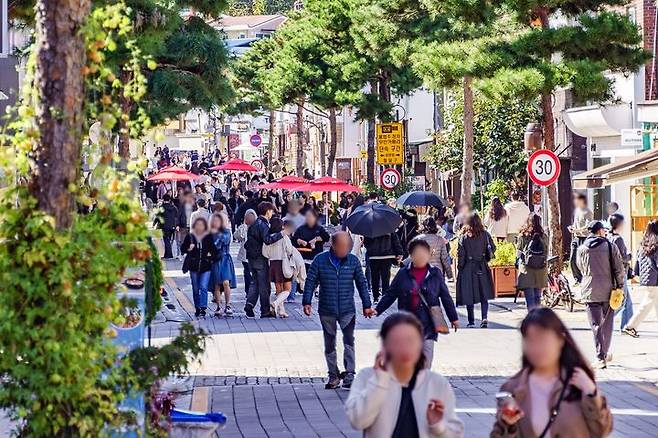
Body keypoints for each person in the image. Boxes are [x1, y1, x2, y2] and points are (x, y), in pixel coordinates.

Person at [491, 308, 612, 438]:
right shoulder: (513, 389)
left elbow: (601, 431)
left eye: (543, 339)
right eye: (530, 340)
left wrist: (591, 393)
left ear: (560, 339)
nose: (536, 348)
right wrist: (508, 425)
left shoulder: (578, 382)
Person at [345, 312, 464, 438]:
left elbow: (455, 434)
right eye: (396, 341)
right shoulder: (368, 377)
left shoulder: (436, 383)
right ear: (385, 345)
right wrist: (379, 382)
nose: (404, 348)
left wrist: (438, 425)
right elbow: (358, 421)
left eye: (410, 341)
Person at [302, 232, 373, 389]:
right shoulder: (320, 260)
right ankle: (333, 375)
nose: (345, 250)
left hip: (347, 308)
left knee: (349, 341)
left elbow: (361, 283)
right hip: (327, 308)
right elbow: (311, 280)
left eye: (347, 246)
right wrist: (306, 301)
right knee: (329, 342)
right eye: (342, 246)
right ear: (333, 245)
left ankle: (349, 373)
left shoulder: (353, 261)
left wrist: (366, 305)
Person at [376, 240, 459, 367]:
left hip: (428, 324)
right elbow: (391, 294)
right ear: (411, 255)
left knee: (426, 360)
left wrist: (453, 318)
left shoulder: (435, 274)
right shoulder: (403, 274)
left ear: (429, 254)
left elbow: (446, 297)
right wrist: (378, 309)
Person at [576, 220, 624, 369]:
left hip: (589, 290)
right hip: (608, 291)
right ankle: (604, 353)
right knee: (607, 324)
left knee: (596, 325)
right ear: (600, 231)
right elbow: (619, 268)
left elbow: (580, 267)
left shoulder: (582, 248)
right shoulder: (610, 246)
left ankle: (600, 356)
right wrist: (620, 285)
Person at [243, 202, 286, 319]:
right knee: (264, 285)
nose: (272, 213)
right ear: (268, 211)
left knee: (255, 282)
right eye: (271, 211)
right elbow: (267, 240)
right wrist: (281, 234)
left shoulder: (255, 223)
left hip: (251, 257)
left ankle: (249, 305)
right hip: (260, 258)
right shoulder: (263, 224)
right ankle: (265, 311)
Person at [456, 213, 495, 328]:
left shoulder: (464, 236)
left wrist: (460, 268)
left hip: (468, 267)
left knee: (469, 295)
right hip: (482, 265)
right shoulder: (485, 235)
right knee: (484, 293)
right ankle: (484, 317)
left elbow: (461, 254)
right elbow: (492, 248)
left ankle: (471, 321)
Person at [623, 220, 658, 338]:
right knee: (648, 303)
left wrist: (636, 275)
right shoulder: (656, 244)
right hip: (654, 279)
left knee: (654, 302)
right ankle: (630, 326)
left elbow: (638, 262)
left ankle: (630, 326)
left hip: (648, 279)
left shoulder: (644, 244)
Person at [181, 217, 216, 318]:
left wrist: (211, 255)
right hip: (193, 266)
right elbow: (182, 248)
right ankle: (197, 307)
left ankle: (203, 307)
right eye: (198, 225)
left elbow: (214, 250)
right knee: (196, 288)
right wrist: (188, 248)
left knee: (203, 287)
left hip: (206, 266)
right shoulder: (190, 237)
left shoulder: (208, 237)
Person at [262, 217, 295, 318]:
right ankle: (276, 303)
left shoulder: (268, 238)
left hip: (272, 264)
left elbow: (264, 253)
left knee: (278, 289)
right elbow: (289, 250)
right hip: (283, 263)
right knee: (287, 289)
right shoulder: (283, 237)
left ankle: (282, 310)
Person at [516, 214, 548, 311]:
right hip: (541, 269)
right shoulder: (543, 236)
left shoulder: (523, 235)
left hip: (527, 270)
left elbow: (518, 253)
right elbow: (546, 251)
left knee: (529, 298)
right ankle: (537, 319)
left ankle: (532, 319)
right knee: (537, 297)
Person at [608, 213, 633, 334]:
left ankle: (627, 325)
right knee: (622, 301)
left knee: (627, 302)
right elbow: (622, 258)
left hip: (613, 273)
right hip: (620, 273)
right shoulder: (618, 239)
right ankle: (607, 321)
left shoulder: (609, 237)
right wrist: (630, 255)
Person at [363, 231, 404, 304]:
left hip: (374, 256)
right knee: (386, 277)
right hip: (387, 256)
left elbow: (366, 243)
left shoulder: (370, 229)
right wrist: (399, 252)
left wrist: (370, 249)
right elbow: (395, 241)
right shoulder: (389, 228)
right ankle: (384, 296)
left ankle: (375, 298)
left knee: (374, 277)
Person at [209, 213, 236, 317]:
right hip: (215, 259)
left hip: (225, 258)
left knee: (226, 282)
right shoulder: (211, 232)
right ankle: (218, 306)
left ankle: (228, 305)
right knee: (216, 283)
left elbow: (223, 241)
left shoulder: (227, 232)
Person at [569, 193, 593, 284]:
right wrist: (572, 228)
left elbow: (588, 226)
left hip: (584, 238)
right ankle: (577, 278)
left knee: (583, 260)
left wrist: (576, 230)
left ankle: (585, 278)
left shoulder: (588, 212)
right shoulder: (577, 211)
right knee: (573, 258)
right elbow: (576, 224)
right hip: (576, 237)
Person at [234, 209, 256, 300]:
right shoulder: (243, 227)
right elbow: (237, 236)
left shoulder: (258, 226)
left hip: (255, 254)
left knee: (253, 273)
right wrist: (243, 227)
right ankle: (248, 291)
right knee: (247, 272)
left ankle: (252, 290)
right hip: (245, 254)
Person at [155, 194, 179, 259]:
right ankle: (166, 255)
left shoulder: (162, 207)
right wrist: (177, 225)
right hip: (172, 226)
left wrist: (155, 224)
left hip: (164, 226)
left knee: (166, 240)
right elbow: (177, 216)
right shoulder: (174, 207)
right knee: (169, 240)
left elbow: (158, 217)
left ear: (163, 199)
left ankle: (169, 255)